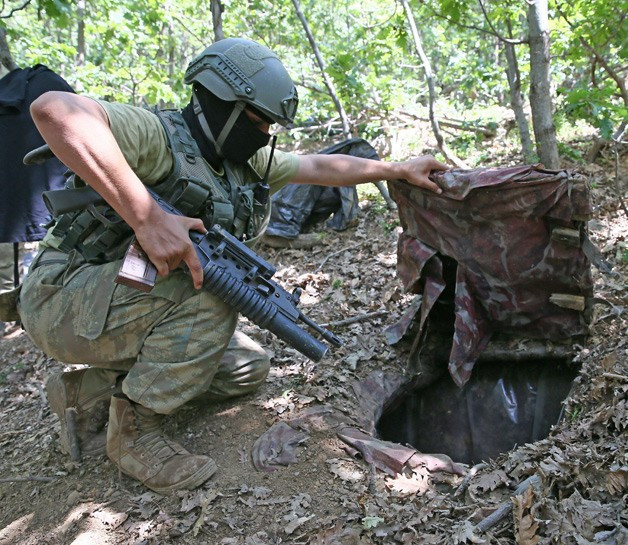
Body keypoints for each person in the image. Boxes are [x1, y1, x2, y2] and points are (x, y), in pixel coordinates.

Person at [16, 38, 447, 494]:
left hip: (124, 298)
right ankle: (134, 437)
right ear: (221, 104)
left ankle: (85, 392)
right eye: (258, 121)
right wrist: (147, 216)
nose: (265, 134)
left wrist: (397, 170)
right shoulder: (156, 136)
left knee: (245, 366)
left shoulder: (241, 161)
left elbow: (320, 166)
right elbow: (53, 108)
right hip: (62, 296)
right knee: (208, 296)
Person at [0, 63, 74, 333]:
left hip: (10, 194)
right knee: (48, 253)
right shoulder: (51, 86)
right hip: (50, 189)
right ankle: (37, 310)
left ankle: (13, 315)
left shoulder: (8, 97)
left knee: (8, 260)